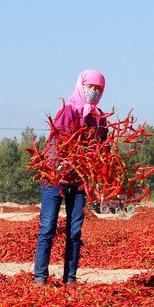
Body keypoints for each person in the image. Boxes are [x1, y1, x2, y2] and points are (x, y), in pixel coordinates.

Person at [33, 69, 108, 286]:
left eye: (98, 89)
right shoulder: (66, 111)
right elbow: (59, 142)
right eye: (90, 87)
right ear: (80, 86)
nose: (93, 92)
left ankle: (70, 278)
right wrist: (66, 159)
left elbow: (102, 148)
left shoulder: (99, 118)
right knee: (48, 227)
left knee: (74, 231)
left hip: (79, 181)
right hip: (55, 178)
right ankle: (40, 277)